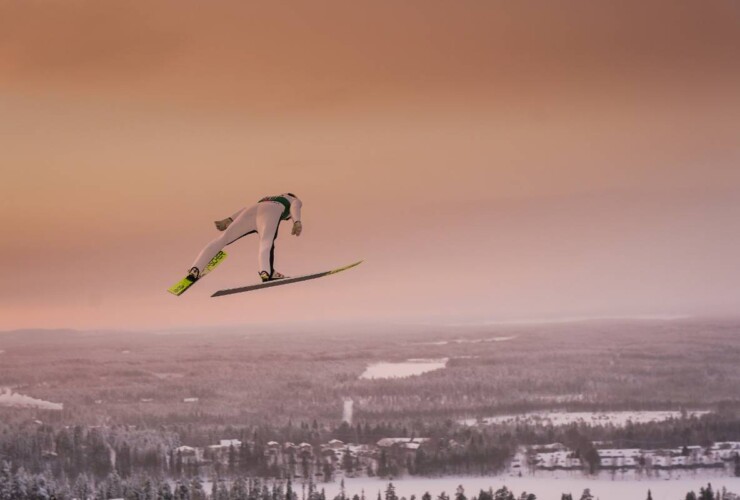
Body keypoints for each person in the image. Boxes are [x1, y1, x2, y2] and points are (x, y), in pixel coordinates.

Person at [187, 193, 302, 283]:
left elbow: (247, 209)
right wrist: (296, 221)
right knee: (266, 241)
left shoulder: (268, 197)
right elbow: (295, 206)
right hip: (270, 212)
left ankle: (195, 269)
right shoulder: (293, 199)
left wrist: (229, 219)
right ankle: (266, 272)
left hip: (251, 211)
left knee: (222, 238)